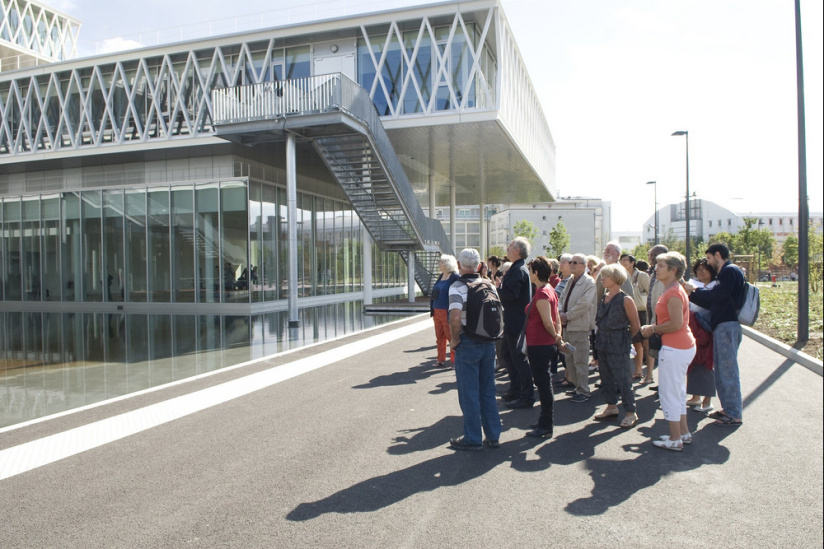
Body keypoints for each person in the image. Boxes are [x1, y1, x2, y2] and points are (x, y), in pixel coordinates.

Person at [684, 243, 746, 427]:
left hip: (726, 325)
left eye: (710, 258)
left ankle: (734, 413)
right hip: (724, 325)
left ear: (718, 255)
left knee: (727, 371)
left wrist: (694, 291)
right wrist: (694, 294)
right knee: (722, 370)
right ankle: (728, 409)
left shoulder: (729, 271)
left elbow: (718, 296)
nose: (709, 262)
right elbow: (716, 298)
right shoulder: (728, 272)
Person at [447, 248, 503, 451]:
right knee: (488, 391)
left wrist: (454, 340)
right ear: (479, 266)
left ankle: (472, 437)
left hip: (467, 342)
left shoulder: (457, 286)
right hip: (488, 342)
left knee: (468, 392)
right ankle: (493, 434)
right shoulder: (489, 284)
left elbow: (454, 317)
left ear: (460, 265)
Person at [640, 252, 696, 451]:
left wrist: (652, 329)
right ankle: (682, 432)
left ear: (673, 270)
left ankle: (675, 438)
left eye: (661, 265)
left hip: (675, 346)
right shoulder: (673, 289)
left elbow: (675, 323)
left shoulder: (673, 292)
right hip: (679, 346)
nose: (656, 268)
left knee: (669, 393)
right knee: (677, 392)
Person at [592, 264, 641, 428]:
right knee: (606, 377)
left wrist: (632, 344)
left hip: (619, 342)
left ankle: (630, 411)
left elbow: (635, 325)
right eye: (602, 275)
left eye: (606, 275)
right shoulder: (604, 297)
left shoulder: (625, 299)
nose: (603, 278)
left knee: (623, 379)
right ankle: (611, 406)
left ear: (617, 278)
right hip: (603, 341)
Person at [523, 256, 562, 438]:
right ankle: (543, 421)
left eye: (530, 270)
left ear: (536, 273)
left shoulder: (543, 293)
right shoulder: (548, 290)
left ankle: (546, 424)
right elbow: (557, 318)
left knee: (544, 385)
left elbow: (548, 322)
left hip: (540, 344)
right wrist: (557, 335)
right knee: (543, 383)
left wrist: (556, 336)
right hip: (542, 342)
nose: (529, 273)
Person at [498, 237, 534, 409]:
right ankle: (516, 388)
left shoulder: (519, 270)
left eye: (510, 246)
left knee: (518, 358)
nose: (507, 248)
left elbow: (510, 295)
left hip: (516, 321)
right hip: (513, 320)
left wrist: (497, 289)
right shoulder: (517, 268)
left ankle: (526, 395)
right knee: (507, 354)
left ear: (518, 250)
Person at [558, 253, 597, 402]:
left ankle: (583, 391)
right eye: (571, 262)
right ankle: (576, 386)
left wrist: (567, 315)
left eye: (575, 262)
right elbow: (561, 298)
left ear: (584, 266)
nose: (572, 264)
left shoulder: (589, 282)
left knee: (580, 360)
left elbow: (584, 304)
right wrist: (561, 312)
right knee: (569, 359)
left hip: (579, 326)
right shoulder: (571, 280)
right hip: (567, 326)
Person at [685, 258, 717, 413]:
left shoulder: (715, 287)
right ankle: (695, 396)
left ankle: (707, 400)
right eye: (698, 270)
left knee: (708, 363)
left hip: (708, 329)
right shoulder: (694, 284)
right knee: (694, 361)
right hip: (694, 328)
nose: (701, 272)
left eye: (705, 269)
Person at [621, 253, 650, 380]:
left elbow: (650, 292)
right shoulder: (620, 275)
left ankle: (647, 372)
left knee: (644, 342)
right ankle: (637, 370)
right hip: (627, 311)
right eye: (621, 260)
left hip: (641, 311)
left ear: (633, 262)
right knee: (634, 342)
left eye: (626, 260)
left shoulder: (642, 275)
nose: (623, 262)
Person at [642, 244, 669, 385]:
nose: (649, 257)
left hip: (663, 320)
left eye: (652, 255)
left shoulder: (669, 275)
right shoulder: (653, 272)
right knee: (651, 347)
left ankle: (662, 384)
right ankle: (650, 376)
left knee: (663, 352)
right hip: (652, 315)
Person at [430, 255, 460, 367]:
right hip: (437, 310)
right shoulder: (441, 276)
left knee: (450, 336)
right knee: (439, 337)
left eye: (441, 262)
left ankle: (455, 360)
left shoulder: (455, 276)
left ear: (448, 263)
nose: (439, 263)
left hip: (447, 311)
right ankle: (440, 359)